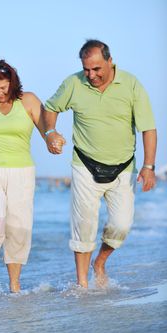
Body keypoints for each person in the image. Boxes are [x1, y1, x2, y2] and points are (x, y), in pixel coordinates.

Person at [43, 39, 157, 288]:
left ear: (110, 61)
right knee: (84, 226)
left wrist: (149, 166)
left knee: (121, 225)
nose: (91, 75)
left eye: (96, 69)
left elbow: (148, 128)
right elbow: (50, 107)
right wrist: (50, 131)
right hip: (85, 164)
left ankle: (100, 261)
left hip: (123, 168)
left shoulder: (131, 84)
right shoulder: (74, 83)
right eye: (86, 69)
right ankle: (82, 284)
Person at [0, 60, 64, 307]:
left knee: (18, 229)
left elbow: (46, 129)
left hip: (20, 172)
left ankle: (15, 286)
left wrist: (53, 140)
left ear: (13, 81)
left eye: (4, 87)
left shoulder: (28, 100)